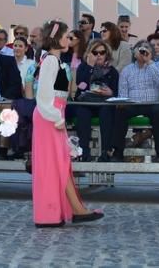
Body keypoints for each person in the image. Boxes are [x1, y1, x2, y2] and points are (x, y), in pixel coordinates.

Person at [32, 19, 103, 227]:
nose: (69, 39)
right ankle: (66, 210)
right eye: (66, 36)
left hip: (54, 115)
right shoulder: (51, 61)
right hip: (50, 117)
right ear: (56, 38)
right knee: (56, 164)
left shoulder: (55, 60)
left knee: (59, 164)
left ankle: (70, 209)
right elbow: (44, 95)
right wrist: (56, 117)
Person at [71, 41, 119, 162]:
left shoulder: (112, 71)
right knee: (82, 112)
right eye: (95, 52)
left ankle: (105, 152)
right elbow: (81, 85)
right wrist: (90, 67)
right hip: (87, 101)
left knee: (107, 111)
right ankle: (84, 152)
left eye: (102, 52)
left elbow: (117, 92)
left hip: (104, 102)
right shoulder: (83, 67)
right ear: (89, 54)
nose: (99, 55)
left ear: (106, 54)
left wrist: (110, 93)